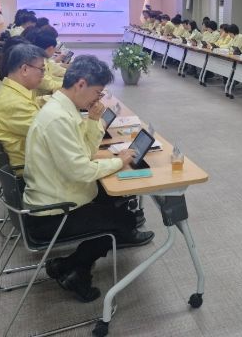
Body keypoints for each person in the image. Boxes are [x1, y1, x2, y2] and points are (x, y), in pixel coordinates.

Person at [23, 56, 154, 302]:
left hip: (59, 194)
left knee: (116, 201)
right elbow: (81, 170)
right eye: (97, 92)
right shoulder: (58, 118)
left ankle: (68, 265)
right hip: (53, 212)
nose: (98, 99)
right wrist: (120, 161)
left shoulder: (65, 109)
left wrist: (93, 120)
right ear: (81, 84)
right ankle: (76, 271)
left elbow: (86, 153)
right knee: (121, 221)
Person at [0, 44, 45, 171]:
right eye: (42, 69)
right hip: (33, 168)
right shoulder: (15, 105)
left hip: (31, 158)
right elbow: (52, 134)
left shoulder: (10, 92)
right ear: (25, 69)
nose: (43, 75)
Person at [31, 31, 64, 95]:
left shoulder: (43, 59)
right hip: (38, 96)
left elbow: (55, 72)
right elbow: (49, 85)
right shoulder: (38, 62)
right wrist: (68, 84)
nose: (55, 51)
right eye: (55, 49)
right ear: (50, 48)